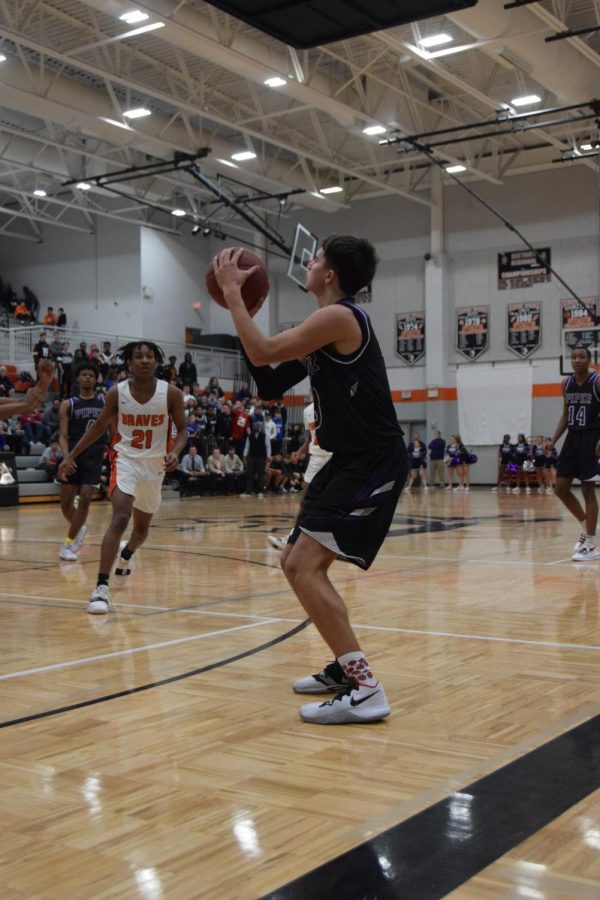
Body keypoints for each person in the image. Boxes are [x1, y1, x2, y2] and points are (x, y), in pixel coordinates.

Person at [212, 235, 408, 725]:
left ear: (330, 276)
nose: (309, 261)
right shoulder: (324, 327)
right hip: (347, 460)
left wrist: (234, 296)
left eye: (316, 258)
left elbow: (263, 353)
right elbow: (270, 380)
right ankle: (346, 670)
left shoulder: (340, 317)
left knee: (303, 566)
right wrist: (245, 316)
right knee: (292, 561)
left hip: (372, 461)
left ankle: (366, 689)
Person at [58, 341, 187, 614]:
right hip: (125, 460)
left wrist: (175, 451)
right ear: (129, 362)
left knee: (140, 532)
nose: (144, 360)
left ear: (156, 362)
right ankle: (101, 588)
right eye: (138, 356)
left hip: (155, 466)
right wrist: (71, 456)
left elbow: (183, 431)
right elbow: (98, 427)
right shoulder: (117, 393)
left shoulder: (171, 393)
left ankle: (126, 554)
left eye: (149, 356)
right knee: (120, 517)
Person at [548, 345, 600, 562]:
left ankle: (590, 544)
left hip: (591, 438)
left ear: (590, 360)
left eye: (582, 357)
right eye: (574, 357)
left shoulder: (597, 381)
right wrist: (553, 440)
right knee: (560, 488)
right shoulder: (566, 383)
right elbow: (565, 415)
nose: (577, 360)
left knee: (588, 489)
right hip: (572, 438)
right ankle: (586, 525)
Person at [57, 361, 107, 561]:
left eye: (91, 375)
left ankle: (68, 543)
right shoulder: (68, 404)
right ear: (77, 378)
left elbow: (112, 429)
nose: (87, 377)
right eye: (84, 374)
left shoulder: (104, 402)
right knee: (66, 504)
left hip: (94, 456)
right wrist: (67, 457)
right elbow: (63, 435)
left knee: (86, 496)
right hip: (73, 457)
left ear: (96, 380)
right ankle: (79, 527)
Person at [267, 400, 332, 550]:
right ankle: (292, 538)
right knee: (305, 501)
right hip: (316, 459)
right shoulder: (307, 411)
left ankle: (343, 542)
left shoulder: (335, 403)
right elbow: (310, 439)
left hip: (335, 458)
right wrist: (300, 452)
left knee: (338, 501)